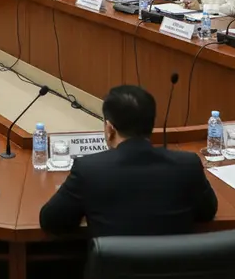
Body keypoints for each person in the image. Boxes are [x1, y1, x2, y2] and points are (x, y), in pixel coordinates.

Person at [40, 85, 217, 237]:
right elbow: (207, 212)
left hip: (112, 276)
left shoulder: (88, 169)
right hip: (177, 274)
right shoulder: (188, 165)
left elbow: (50, 221)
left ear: (110, 129)